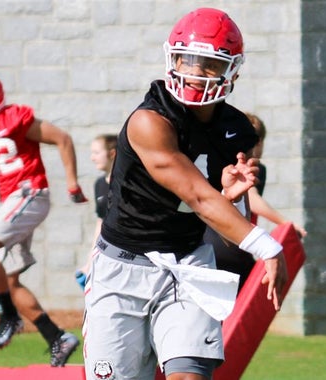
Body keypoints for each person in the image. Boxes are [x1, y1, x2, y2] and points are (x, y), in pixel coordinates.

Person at [83, 8, 288, 380]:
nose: (195, 71)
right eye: (187, 59)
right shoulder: (149, 121)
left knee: (188, 376)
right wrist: (267, 245)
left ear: (233, 71)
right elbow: (195, 196)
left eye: (209, 63)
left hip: (188, 265)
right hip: (121, 268)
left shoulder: (237, 129)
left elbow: (223, 224)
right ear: (172, 59)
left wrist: (232, 197)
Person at [0, 71, 85, 366]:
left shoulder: (15, 118)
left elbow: (62, 139)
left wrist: (73, 182)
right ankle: (57, 337)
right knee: (10, 282)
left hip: (30, 193)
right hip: (13, 202)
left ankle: (8, 317)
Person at [205, 112, 307, 292]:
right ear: (258, 141)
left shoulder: (218, 163)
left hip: (212, 245)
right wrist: (285, 223)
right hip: (229, 243)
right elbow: (252, 198)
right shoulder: (250, 167)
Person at [74, 133, 117, 289]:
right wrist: (91, 257)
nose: (93, 158)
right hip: (106, 250)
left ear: (112, 153)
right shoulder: (99, 184)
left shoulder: (125, 183)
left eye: (97, 153)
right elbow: (101, 221)